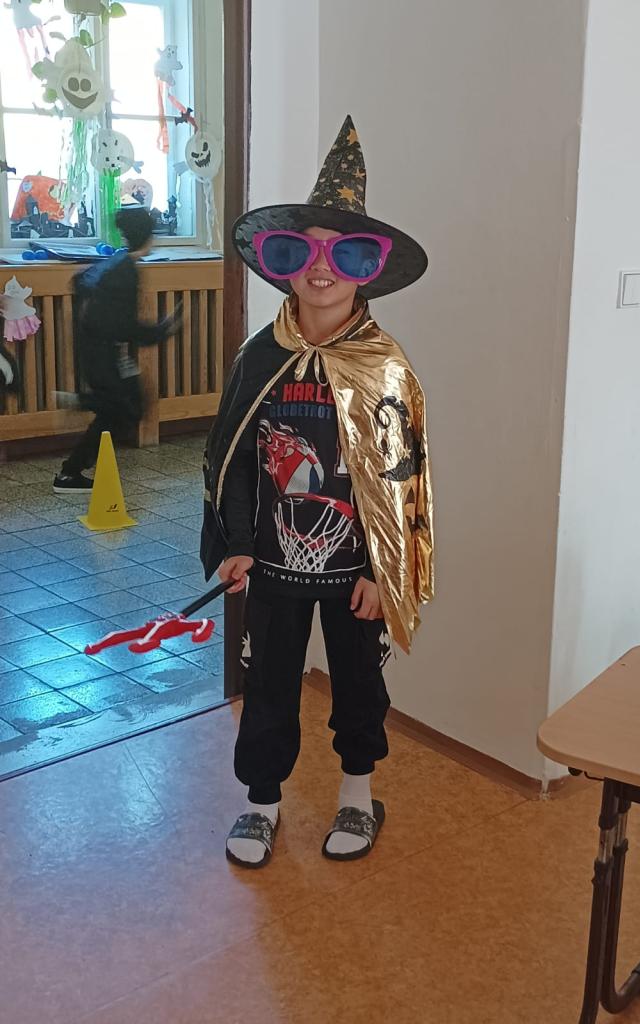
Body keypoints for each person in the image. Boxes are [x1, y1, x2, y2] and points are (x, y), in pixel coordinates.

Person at [200, 116, 434, 868]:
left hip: (351, 573)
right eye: (302, 251)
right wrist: (238, 543)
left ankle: (358, 796)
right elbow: (234, 460)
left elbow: (399, 481)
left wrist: (385, 572)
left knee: (358, 688)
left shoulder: (384, 365)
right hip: (273, 567)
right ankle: (261, 804)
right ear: (283, 264)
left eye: (347, 253)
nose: (323, 269)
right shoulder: (258, 358)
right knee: (267, 686)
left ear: (369, 269)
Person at [53, 207, 179, 494]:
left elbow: (80, 282)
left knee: (131, 404)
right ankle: (70, 472)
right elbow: (122, 325)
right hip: (103, 352)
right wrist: (160, 330)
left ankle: (84, 404)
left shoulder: (117, 261)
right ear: (148, 237)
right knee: (122, 410)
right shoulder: (125, 272)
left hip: (102, 350)